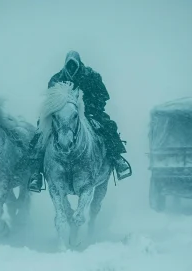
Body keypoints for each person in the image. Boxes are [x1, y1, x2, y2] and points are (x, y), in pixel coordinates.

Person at [28, 50, 131, 192]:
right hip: (62, 114)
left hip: (90, 113)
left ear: (78, 63)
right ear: (65, 64)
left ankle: (117, 160)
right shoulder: (56, 79)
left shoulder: (92, 76)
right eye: (69, 65)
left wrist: (92, 107)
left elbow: (103, 96)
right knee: (41, 131)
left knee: (109, 125)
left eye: (73, 65)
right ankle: (36, 172)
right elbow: (51, 100)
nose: (71, 68)